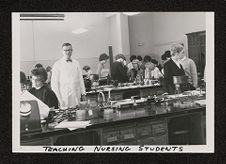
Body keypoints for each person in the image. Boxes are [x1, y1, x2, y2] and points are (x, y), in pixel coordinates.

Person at [51, 43, 86, 108]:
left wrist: (83, 93)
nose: (68, 52)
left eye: (70, 50)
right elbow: (54, 85)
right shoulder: (57, 64)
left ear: (72, 50)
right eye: (65, 50)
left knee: (78, 114)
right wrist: (58, 99)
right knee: (66, 115)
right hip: (64, 97)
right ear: (62, 51)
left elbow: (81, 79)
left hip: (76, 95)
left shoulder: (76, 63)